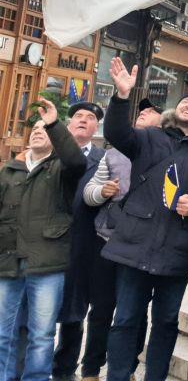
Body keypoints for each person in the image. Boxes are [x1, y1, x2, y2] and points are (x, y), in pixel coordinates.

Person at [102, 58, 188, 381]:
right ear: (174, 112)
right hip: (135, 244)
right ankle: (118, 375)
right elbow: (117, 132)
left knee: (165, 321)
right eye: (184, 101)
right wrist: (121, 97)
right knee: (126, 319)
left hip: (178, 248)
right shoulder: (149, 138)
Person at [0, 97, 87, 381]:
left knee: (42, 333)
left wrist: (53, 123)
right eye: (34, 128)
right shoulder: (10, 170)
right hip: (8, 263)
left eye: (44, 129)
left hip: (47, 264)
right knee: (3, 332)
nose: (38, 131)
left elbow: (77, 160)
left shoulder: (61, 169)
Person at [80, 104, 161, 381]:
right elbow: (90, 193)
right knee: (101, 308)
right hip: (107, 241)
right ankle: (91, 369)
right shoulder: (113, 155)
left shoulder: (168, 155)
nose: (142, 115)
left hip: (141, 246)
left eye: (150, 114)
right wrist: (102, 191)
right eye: (139, 114)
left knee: (135, 312)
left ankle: (127, 369)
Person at [51, 102, 105, 381]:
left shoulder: (103, 160)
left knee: (74, 312)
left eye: (91, 118)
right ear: (68, 125)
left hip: (84, 247)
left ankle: (64, 370)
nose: (84, 120)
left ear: (96, 128)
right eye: (78, 116)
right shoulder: (49, 153)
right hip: (45, 245)